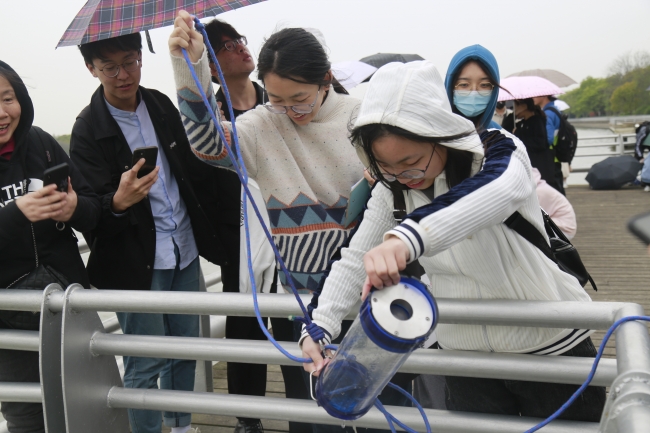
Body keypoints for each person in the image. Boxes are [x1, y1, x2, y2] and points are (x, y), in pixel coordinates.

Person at [300, 60, 605, 422]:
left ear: (439, 134)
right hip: (464, 357)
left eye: (412, 161)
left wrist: (405, 239)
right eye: (386, 166)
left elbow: (490, 196)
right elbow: (354, 258)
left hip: (550, 345)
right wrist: (319, 327)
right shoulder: (392, 187)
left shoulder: (499, 152)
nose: (403, 176)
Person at [169, 10, 366, 433]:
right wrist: (190, 67)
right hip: (303, 303)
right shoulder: (263, 124)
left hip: (366, 292)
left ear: (326, 79)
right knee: (313, 413)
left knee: (375, 409)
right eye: (276, 99)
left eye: (300, 98)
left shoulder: (362, 117)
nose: (290, 110)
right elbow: (206, 145)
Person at [70, 33, 226, 433]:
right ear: (91, 69)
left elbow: (193, 168)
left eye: (130, 61)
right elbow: (88, 210)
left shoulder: (158, 103)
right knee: (145, 359)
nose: (123, 75)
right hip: (135, 261)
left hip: (183, 246)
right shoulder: (87, 129)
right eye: (110, 67)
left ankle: (181, 426)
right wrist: (118, 201)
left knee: (185, 349)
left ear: (141, 57)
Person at [0, 61, 100, 432]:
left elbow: (92, 208)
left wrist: (74, 208)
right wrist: (16, 214)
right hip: (7, 322)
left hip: (66, 304)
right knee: (26, 415)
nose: (2, 113)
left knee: (85, 403)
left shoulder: (41, 144)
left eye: (7, 98)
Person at [202, 18, 278, 433]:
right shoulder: (208, 115)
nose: (240, 48)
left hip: (287, 227)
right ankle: (248, 417)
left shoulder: (275, 101)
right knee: (244, 327)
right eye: (226, 46)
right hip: (240, 236)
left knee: (294, 320)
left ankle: (309, 409)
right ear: (212, 67)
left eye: (239, 40)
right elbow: (202, 185)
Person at [444, 44, 502, 132]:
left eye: (484, 85)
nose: (474, 93)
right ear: (450, 87)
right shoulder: (431, 134)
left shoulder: (501, 137)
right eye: (464, 85)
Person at [512, 98, 562, 192]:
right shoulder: (523, 123)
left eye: (516, 106)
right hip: (531, 165)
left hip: (539, 166)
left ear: (524, 106)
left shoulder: (537, 122)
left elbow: (540, 143)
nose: (514, 109)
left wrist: (519, 136)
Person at [532, 167, 577, 239]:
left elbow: (534, 215)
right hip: (559, 225)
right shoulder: (540, 186)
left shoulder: (539, 191)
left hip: (563, 229)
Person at [534, 95, 566, 195]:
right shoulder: (554, 110)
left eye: (536, 95)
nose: (533, 98)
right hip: (556, 155)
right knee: (558, 188)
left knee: (553, 190)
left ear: (544, 96)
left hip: (550, 157)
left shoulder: (547, 113)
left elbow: (548, 139)